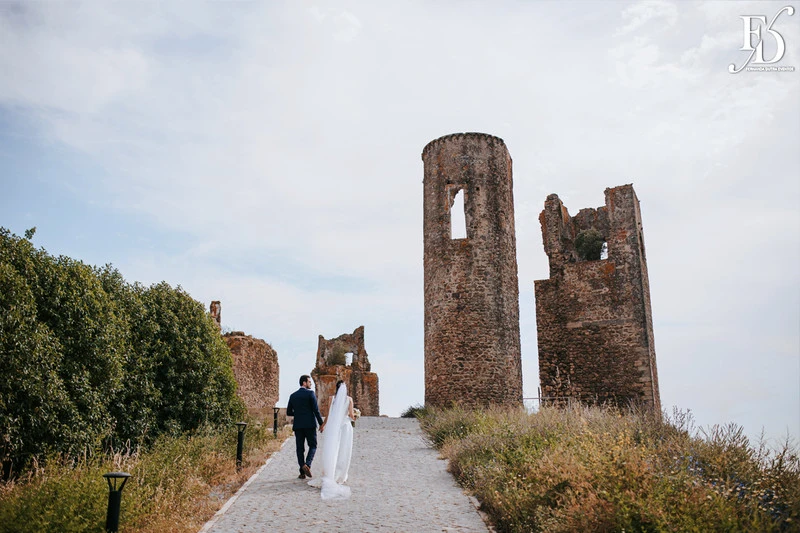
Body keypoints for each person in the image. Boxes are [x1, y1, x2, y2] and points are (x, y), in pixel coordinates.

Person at [311, 380, 354, 500]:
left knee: (333, 450)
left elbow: (329, 414)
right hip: (345, 427)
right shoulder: (349, 399)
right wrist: (355, 415)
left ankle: (331, 472)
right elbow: (351, 415)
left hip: (334, 427)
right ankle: (341, 475)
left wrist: (323, 425)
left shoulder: (332, 398)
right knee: (344, 450)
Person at [286, 374, 324, 479]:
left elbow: (289, 412)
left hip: (298, 425)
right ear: (304, 383)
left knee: (300, 448)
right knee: (313, 445)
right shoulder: (310, 394)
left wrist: (298, 413)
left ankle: (302, 471)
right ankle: (307, 464)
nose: (310, 383)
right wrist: (321, 424)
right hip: (310, 424)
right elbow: (316, 410)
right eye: (309, 382)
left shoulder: (293, 396)